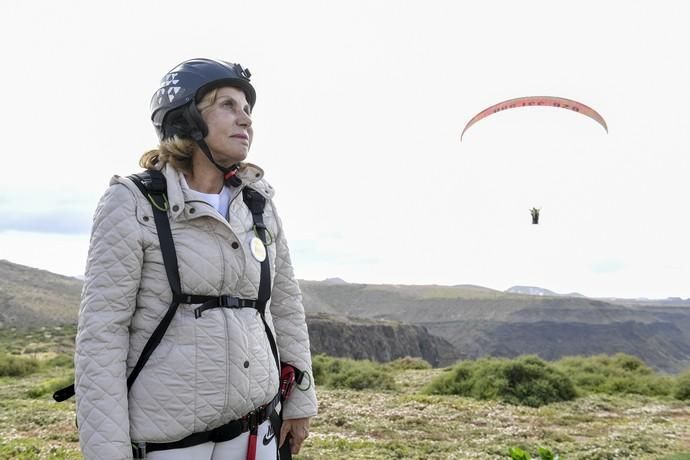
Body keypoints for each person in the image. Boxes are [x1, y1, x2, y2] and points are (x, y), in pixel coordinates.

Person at [74, 58, 318, 460]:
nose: (246, 119)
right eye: (228, 105)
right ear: (186, 120)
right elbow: (102, 336)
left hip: (257, 432)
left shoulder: (258, 203)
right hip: (170, 445)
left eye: (248, 109)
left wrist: (301, 401)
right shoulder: (133, 202)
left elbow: (286, 306)